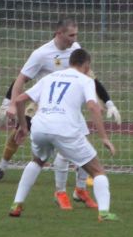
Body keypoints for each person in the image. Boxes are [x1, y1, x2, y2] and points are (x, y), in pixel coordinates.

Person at [0, 18, 121, 211]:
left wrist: (108, 102)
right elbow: (20, 80)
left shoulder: (75, 49)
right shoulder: (41, 54)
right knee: (44, 141)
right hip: (42, 102)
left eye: (76, 35)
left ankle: (77, 190)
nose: (75, 39)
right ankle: (3, 167)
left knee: (48, 153)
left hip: (63, 108)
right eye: (71, 35)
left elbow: (92, 79)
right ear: (59, 34)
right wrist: (10, 104)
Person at [7, 48, 118, 221]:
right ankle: (104, 213)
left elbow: (20, 99)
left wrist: (23, 126)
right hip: (64, 128)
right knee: (97, 171)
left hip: (40, 126)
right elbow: (93, 106)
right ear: (87, 65)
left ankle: (16, 204)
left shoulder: (49, 77)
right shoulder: (86, 80)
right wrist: (104, 137)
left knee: (37, 161)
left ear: (70, 62)